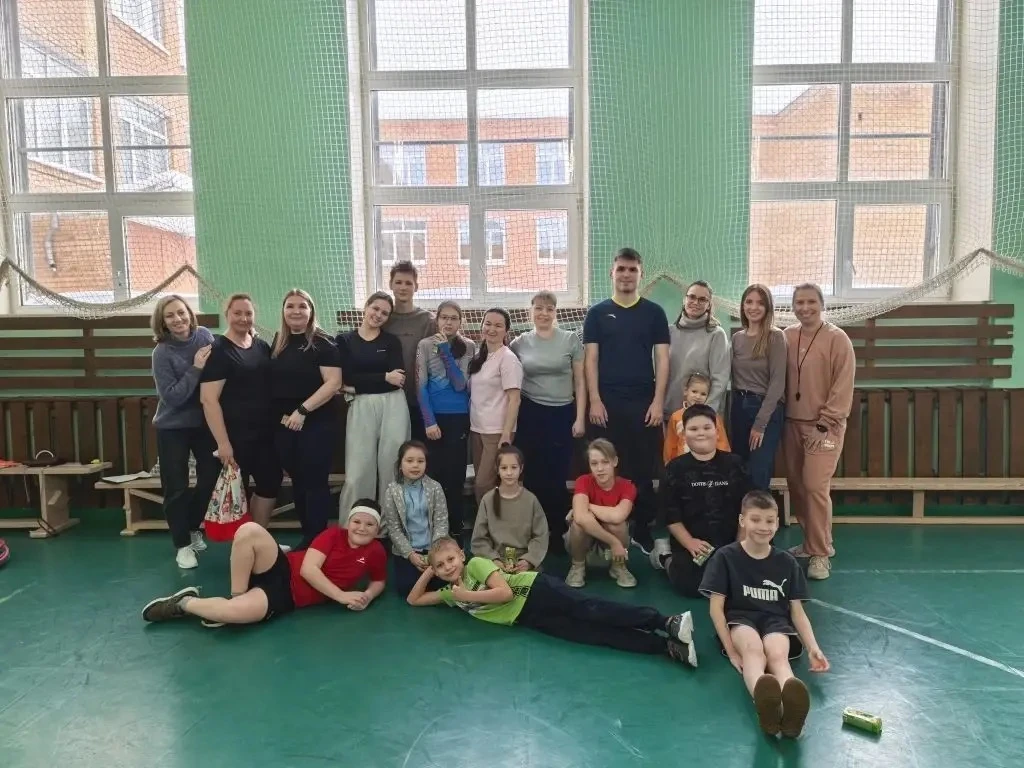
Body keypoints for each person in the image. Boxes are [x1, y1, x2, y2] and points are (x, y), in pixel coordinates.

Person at [407, 536, 698, 668]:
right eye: (441, 566)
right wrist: (430, 570)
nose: (447, 567)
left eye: (450, 559)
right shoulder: (451, 593)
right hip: (529, 618)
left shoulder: (475, 566)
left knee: (593, 609)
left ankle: (665, 622)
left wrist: (467, 596)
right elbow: (414, 599)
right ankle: (667, 648)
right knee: (593, 635)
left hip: (536, 590)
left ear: (461, 555)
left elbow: (504, 593)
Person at [699, 491, 829, 737]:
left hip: (775, 622)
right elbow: (716, 608)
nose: (763, 526)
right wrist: (731, 650)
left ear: (777, 523)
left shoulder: (787, 562)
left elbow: (797, 612)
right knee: (753, 650)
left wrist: (813, 647)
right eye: (755, 519)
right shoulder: (725, 557)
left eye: (769, 520)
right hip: (741, 620)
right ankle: (766, 704)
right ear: (742, 521)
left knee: (778, 655)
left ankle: (791, 710)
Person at [140, 501, 388, 626]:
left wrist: (367, 596)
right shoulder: (333, 534)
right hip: (281, 567)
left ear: (378, 529)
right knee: (249, 529)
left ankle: (183, 603)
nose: (362, 528)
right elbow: (308, 570)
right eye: (357, 521)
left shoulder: (375, 551)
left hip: (287, 596)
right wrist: (342, 596)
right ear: (348, 522)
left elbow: (379, 580)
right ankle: (237, 595)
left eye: (370, 524)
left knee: (232, 615)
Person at [583, 247, 669, 553]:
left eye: (633, 269)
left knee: (643, 467)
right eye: (621, 268)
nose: (626, 275)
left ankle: (641, 527)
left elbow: (662, 359)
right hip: (606, 403)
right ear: (612, 273)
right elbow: (591, 360)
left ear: (640, 275)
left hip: (643, 402)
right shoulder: (596, 313)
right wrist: (595, 400)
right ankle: (603, 529)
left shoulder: (654, 313)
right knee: (605, 465)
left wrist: (657, 401)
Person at [783, 283, 856, 580]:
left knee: (814, 487)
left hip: (824, 426)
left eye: (811, 302)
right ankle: (812, 542)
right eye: (799, 302)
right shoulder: (787, 336)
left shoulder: (838, 339)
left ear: (822, 304)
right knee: (797, 486)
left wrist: (824, 424)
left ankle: (821, 554)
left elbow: (843, 386)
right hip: (791, 423)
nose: (805, 308)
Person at [650, 404, 752, 597]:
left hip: (732, 540)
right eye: (694, 429)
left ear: (717, 431)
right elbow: (670, 514)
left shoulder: (736, 464)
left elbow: (748, 508)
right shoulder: (674, 469)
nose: (701, 433)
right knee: (692, 585)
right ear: (684, 434)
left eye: (707, 427)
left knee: (743, 579)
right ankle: (664, 557)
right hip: (694, 543)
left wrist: (740, 546)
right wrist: (689, 542)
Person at [510, 291, 585, 551]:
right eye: (539, 308)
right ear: (530, 311)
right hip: (531, 414)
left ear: (555, 312)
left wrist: (579, 417)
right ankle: (533, 532)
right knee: (532, 474)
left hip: (562, 414)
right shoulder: (519, 343)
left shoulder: (570, 339)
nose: (544, 313)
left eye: (549, 308)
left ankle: (555, 532)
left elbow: (580, 382)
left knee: (557, 474)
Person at [269, 289, 343, 550]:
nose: (296, 311)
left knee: (314, 482)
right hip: (285, 427)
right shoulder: (278, 341)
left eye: (302, 306)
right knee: (298, 481)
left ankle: (317, 540)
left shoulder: (323, 343)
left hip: (315, 424)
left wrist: (302, 411)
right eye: (290, 306)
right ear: (283, 311)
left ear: (311, 311)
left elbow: (333, 383)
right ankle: (307, 537)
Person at [200, 294, 281, 528]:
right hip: (234, 437)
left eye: (248, 313)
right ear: (227, 314)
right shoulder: (218, 350)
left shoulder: (261, 346)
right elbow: (208, 399)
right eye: (237, 313)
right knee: (239, 489)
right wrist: (223, 443)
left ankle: (258, 537)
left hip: (263, 435)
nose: (243, 318)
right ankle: (241, 544)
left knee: (270, 482)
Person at [150, 295, 219, 569]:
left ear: (189, 313)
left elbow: (219, 373)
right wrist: (196, 368)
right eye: (170, 316)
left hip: (204, 423)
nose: (177, 319)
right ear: (163, 322)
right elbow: (173, 397)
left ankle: (192, 528)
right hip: (172, 426)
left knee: (211, 476)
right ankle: (182, 545)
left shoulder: (204, 336)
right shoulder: (161, 353)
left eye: (181, 312)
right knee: (176, 487)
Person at [336, 291, 411, 514]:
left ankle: (391, 525)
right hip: (362, 406)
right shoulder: (344, 340)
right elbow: (346, 377)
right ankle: (353, 523)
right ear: (366, 307)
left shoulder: (391, 341)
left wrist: (357, 386)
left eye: (384, 313)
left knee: (392, 467)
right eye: (375, 308)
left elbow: (398, 381)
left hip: (393, 406)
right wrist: (383, 377)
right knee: (358, 471)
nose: (378, 315)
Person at [416, 300, 475, 542]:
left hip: (458, 418)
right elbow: (420, 386)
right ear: (437, 320)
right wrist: (429, 421)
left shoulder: (469, 346)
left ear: (460, 322)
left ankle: (455, 529)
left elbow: (460, 384)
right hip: (434, 419)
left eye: (453, 318)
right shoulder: (424, 345)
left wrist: (445, 352)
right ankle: (433, 530)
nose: (448, 322)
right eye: (444, 318)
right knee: (434, 475)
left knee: (455, 476)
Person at [731, 284, 787, 491]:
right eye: (749, 302)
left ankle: (761, 511)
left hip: (765, 409)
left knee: (758, 473)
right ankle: (742, 512)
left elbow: (778, 382)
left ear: (768, 307)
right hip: (739, 407)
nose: (753, 307)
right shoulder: (736, 338)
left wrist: (760, 423)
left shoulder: (775, 336)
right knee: (739, 471)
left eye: (760, 303)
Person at [565, 438, 637, 589]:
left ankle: (618, 566)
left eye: (605, 462)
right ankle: (578, 566)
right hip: (588, 540)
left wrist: (587, 506)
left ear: (615, 461)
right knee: (578, 524)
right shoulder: (583, 481)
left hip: (613, 539)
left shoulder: (627, 486)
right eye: (594, 463)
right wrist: (614, 542)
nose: (599, 469)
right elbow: (581, 517)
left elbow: (618, 515)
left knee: (618, 524)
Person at [468, 308, 523, 504]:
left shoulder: (508, 359)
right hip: (477, 429)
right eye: (488, 324)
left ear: (506, 331)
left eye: (498, 325)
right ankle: (486, 520)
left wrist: (506, 434)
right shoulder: (479, 356)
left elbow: (515, 399)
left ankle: (491, 521)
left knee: (484, 484)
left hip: (497, 431)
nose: (492, 329)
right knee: (481, 483)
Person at [380, 440, 449, 597]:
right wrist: (410, 554)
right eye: (409, 461)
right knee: (406, 588)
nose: (415, 465)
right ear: (400, 464)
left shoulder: (435, 487)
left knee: (443, 581)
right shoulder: (392, 491)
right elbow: (394, 528)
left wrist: (434, 552)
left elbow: (441, 522)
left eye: (420, 461)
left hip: (434, 548)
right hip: (407, 551)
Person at [471, 445, 549, 573]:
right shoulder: (488, 500)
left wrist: (528, 560)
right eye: (504, 468)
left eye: (514, 467)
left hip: (524, 565)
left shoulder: (531, 500)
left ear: (521, 468)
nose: (509, 473)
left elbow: (541, 536)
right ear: (497, 469)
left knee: (540, 584)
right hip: (495, 565)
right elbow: (479, 539)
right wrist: (494, 559)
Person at [383, 261, 436, 441]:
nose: (403, 287)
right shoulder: (383, 318)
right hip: (389, 400)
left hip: (419, 401)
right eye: (398, 282)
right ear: (390, 285)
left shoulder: (428, 320)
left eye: (408, 283)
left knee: (418, 450)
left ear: (416, 287)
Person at [666, 280, 730, 416]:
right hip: (668, 413)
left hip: (699, 416)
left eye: (702, 299)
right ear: (684, 299)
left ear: (709, 305)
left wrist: (705, 413)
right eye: (692, 297)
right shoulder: (669, 331)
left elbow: (720, 379)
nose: (696, 302)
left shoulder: (716, 334)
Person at [663, 372, 731, 463]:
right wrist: (669, 464)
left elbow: (722, 443)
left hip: (709, 464)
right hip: (683, 464)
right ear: (686, 391)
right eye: (694, 391)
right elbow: (670, 444)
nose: (698, 397)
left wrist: (724, 463)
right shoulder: (676, 417)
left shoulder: (713, 417)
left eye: (703, 394)